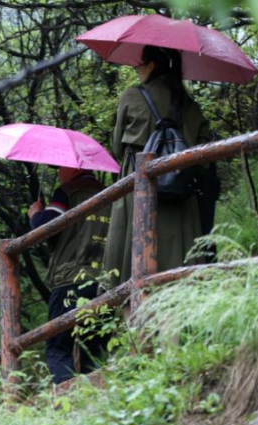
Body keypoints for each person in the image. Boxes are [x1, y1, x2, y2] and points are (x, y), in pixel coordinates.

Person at [104, 45, 212, 287]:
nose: (136, 70)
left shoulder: (132, 96)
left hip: (138, 190)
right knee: (179, 256)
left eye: (138, 65)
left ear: (151, 65)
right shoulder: (188, 104)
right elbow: (206, 155)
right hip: (180, 195)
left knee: (134, 257)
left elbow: (117, 148)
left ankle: (132, 312)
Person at [28, 165, 110, 384]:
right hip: (106, 278)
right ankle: (97, 398)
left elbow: (45, 228)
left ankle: (65, 401)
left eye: (60, 168)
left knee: (59, 344)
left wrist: (36, 214)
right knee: (94, 345)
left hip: (70, 279)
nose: (57, 172)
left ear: (74, 167)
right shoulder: (110, 192)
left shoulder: (67, 192)